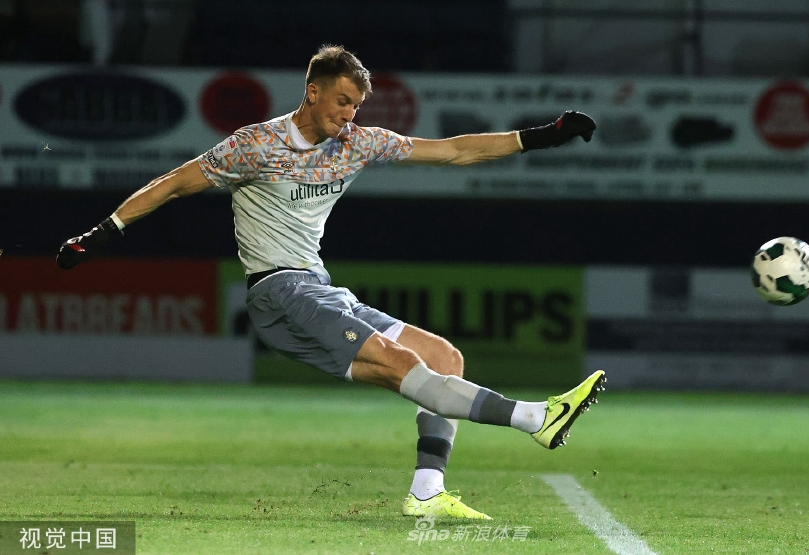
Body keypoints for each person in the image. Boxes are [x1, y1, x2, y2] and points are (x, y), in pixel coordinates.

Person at [56, 45, 606, 520]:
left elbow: (453, 151)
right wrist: (102, 232)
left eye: (356, 105)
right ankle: (534, 417)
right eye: (342, 101)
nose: (349, 114)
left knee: (443, 356)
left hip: (319, 288)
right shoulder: (255, 146)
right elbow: (175, 183)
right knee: (398, 361)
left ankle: (426, 492)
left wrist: (543, 137)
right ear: (313, 92)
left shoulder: (357, 143)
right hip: (278, 291)